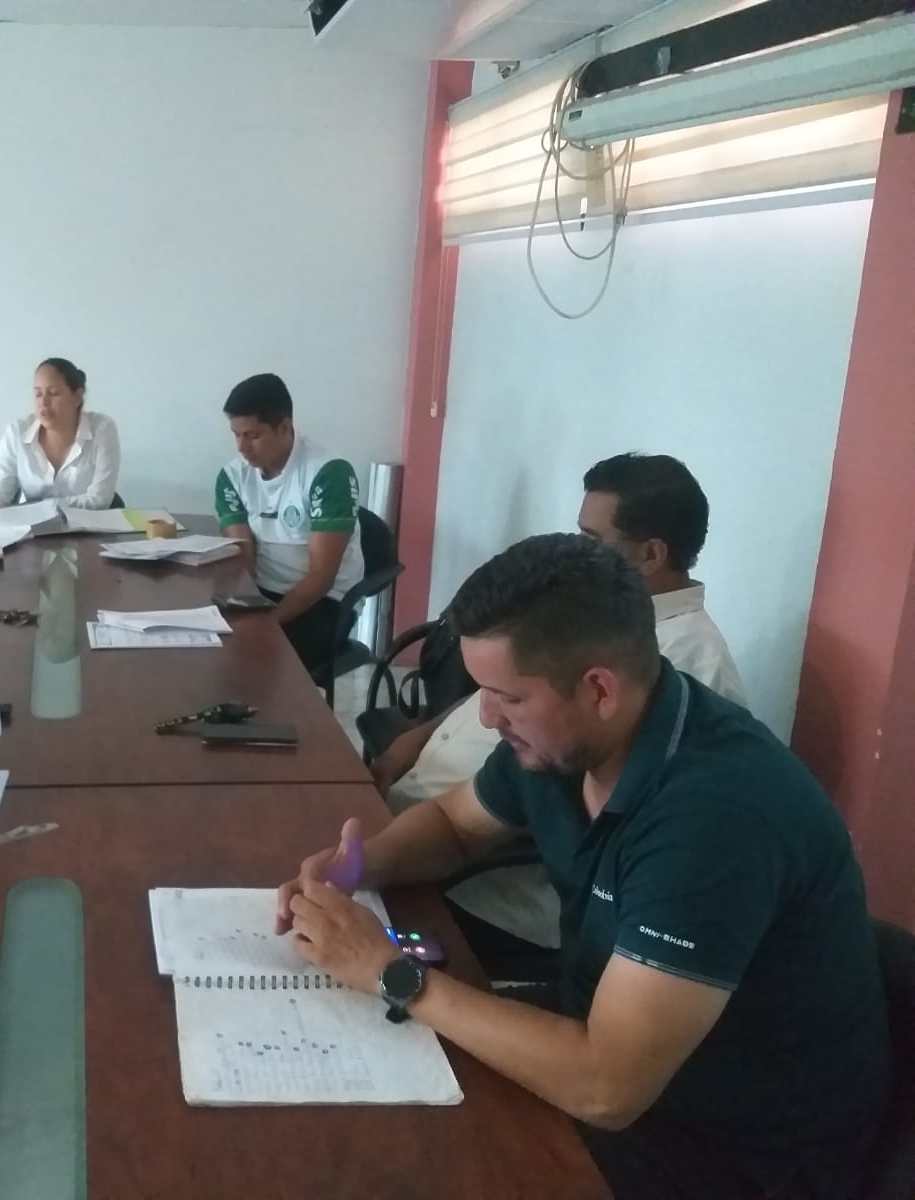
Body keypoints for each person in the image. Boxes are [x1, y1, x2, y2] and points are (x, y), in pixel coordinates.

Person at [276, 534, 889, 1200]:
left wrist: (391, 973)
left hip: (731, 1149)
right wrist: (364, 863)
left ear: (598, 688)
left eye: (505, 696)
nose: (486, 715)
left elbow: (606, 1088)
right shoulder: (568, 739)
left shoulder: (714, 819)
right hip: (610, 1054)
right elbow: (455, 825)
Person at [377, 453, 746, 961]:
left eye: (591, 539)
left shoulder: (684, 666)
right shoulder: (584, 622)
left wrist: (386, 970)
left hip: (492, 893)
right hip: (428, 831)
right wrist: (418, 738)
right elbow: (462, 809)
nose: (579, 552)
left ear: (651, 554)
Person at [214, 372, 364, 671]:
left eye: (253, 436)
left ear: (284, 427)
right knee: (211, 646)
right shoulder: (233, 477)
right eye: (236, 435)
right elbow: (244, 556)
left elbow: (322, 577)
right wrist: (243, 608)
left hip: (323, 602)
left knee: (258, 659)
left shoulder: (328, 473)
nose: (242, 447)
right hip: (263, 592)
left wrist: (270, 622)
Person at [0, 357, 120, 526]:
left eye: (54, 393)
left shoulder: (102, 429)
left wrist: (37, 509)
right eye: (38, 394)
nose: (44, 402)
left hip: (90, 531)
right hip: (35, 531)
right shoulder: (17, 432)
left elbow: (99, 500)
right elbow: (0, 490)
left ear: (77, 397)